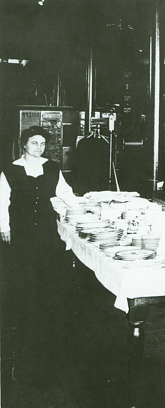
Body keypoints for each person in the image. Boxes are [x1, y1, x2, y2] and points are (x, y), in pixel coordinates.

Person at [0, 126, 79, 379]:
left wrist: (80, 208)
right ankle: (23, 344)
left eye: (42, 144)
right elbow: (3, 201)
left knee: (49, 285)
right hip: (22, 234)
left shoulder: (53, 168)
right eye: (34, 143)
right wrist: (4, 227)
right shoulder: (10, 170)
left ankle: (50, 344)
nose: (39, 147)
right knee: (24, 285)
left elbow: (64, 192)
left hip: (46, 232)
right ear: (24, 145)